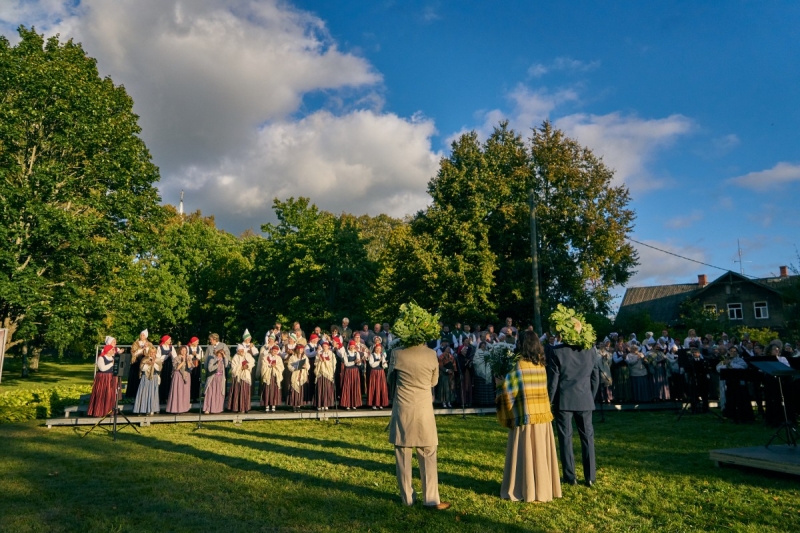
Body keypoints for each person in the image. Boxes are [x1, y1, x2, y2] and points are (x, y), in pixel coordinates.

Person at [388, 304, 450, 510]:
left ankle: (407, 498)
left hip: (403, 407)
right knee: (428, 452)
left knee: (403, 454)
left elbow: (390, 380)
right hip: (424, 409)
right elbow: (434, 382)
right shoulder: (432, 354)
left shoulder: (397, 354)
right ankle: (431, 499)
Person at [496, 331, 561, 503]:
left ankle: (526, 489)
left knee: (526, 453)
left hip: (525, 418)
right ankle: (544, 489)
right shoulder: (541, 366)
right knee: (541, 454)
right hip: (542, 417)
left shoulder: (518, 366)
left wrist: (499, 385)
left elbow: (508, 395)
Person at [546, 319, 600, 487]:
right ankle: (590, 477)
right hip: (584, 399)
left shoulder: (556, 352)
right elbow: (595, 378)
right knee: (587, 438)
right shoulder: (591, 351)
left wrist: (549, 401)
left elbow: (553, 382)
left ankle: (571, 477)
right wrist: (590, 396)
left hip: (564, 400)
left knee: (565, 439)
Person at [88, 337, 121, 417]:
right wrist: (111, 364)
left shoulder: (112, 358)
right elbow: (102, 368)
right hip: (103, 378)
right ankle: (99, 412)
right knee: (101, 395)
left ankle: (110, 411)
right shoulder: (101, 358)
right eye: (112, 350)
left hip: (111, 378)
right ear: (108, 350)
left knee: (110, 395)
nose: (113, 351)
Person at [133, 345, 162, 415]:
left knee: (153, 393)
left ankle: (152, 409)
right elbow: (142, 369)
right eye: (151, 352)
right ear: (149, 353)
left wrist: (153, 363)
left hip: (154, 377)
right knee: (144, 393)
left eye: (154, 352)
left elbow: (159, 369)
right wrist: (148, 364)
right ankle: (142, 409)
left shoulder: (158, 360)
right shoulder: (144, 359)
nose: (152, 354)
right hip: (145, 377)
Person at [228, 344, 255, 413]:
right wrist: (241, 367)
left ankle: (245, 407)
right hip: (238, 377)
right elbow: (233, 367)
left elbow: (252, 362)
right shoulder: (235, 357)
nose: (241, 352)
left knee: (245, 391)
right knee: (237, 392)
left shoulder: (248, 355)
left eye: (242, 350)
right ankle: (236, 407)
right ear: (237, 351)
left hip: (245, 376)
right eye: (240, 351)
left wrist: (247, 366)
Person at [126, 329, 152, 398]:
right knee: (135, 377)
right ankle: (133, 395)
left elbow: (152, 352)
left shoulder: (149, 344)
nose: (141, 336)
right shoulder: (136, 343)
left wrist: (147, 349)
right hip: (137, 362)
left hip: (145, 363)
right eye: (141, 334)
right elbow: (134, 353)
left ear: (146, 336)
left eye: (143, 335)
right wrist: (142, 348)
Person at [203, 346, 229, 414]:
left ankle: (217, 408)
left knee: (218, 393)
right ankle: (208, 408)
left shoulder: (223, 360)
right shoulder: (213, 359)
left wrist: (225, 356)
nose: (220, 355)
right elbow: (210, 369)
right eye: (219, 353)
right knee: (211, 393)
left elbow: (226, 365)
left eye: (222, 354)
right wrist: (217, 364)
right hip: (213, 378)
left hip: (220, 379)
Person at [166, 345, 192, 414]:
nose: (184, 352)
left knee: (185, 392)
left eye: (185, 350)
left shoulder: (189, 357)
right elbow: (176, 368)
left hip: (186, 375)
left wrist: (187, 361)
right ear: (180, 351)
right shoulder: (176, 358)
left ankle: (184, 408)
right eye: (182, 350)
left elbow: (190, 367)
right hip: (178, 375)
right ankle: (176, 408)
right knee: (178, 392)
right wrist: (183, 361)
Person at [260, 344, 284, 412]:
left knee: (274, 390)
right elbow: (264, 365)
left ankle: (273, 405)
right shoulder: (265, 357)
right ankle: (266, 405)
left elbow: (281, 367)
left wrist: (275, 366)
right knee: (267, 390)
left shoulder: (278, 358)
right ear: (271, 350)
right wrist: (270, 365)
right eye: (274, 351)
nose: (275, 352)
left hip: (275, 376)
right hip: (268, 375)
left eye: (276, 351)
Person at [287, 344, 310, 412]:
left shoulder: (305, 357)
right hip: (295, 374)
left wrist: (306, 366)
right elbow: (289, 366)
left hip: (302, 374)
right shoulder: (293, 357)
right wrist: (296, 367)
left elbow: (308, 365)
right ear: (297, 349)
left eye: (302, 349)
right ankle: (294, 405)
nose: (301, 350)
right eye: (299, 349)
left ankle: (299, 405)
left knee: (301, 390)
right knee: (294, 389)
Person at [341, 340, 363, 410]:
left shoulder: (357, 353)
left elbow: (359, 364)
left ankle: (354, 404)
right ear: (349, 346)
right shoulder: (346, 353)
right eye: (351, 346)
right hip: (348, 371)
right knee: (348, 387)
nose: (352, 347)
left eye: (353, 346)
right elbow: (346, 364)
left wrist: (359, 362)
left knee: (355, 387)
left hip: (355, 371)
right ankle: (347, 404)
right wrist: (354, 362)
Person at [315, 340, 336, 411]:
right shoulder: (319, 353)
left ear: (328, 347)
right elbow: (315, 362)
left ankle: (326, 404)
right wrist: (320, 361)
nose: (324, 347)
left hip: (327, 373)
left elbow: (333, 363)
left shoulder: (331, 354)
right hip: (320, 373)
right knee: (320, 388)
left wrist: (325, 361)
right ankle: (319, 404)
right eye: (323, 346)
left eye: (325, 346)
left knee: (327, 388)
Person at [367, 343, 389, 409]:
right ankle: (374, 404)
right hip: (374, 373)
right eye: (377, 349)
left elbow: (385, 366)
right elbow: (372, 365)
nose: (378, 350)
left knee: (381, 387)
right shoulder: (372, 355)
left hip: (381, 373)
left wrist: (384, 364)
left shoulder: (382, 355)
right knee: (374, 387)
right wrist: (379, 361)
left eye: (379, 349)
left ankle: (380, 403)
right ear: (375, 349)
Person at [186, 337, 204, 402]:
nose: (198, 343)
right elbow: (187, 355)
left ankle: (196, 397)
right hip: (190, 365)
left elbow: (201, 356)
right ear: (193, 342)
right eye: (196, 341)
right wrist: (192, 355)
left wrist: (196, 354)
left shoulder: (199, 348)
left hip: (197, 365)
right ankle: (189, 396)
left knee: (197, 379)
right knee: (190, 379)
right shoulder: (188, 347)